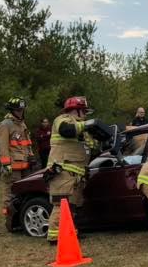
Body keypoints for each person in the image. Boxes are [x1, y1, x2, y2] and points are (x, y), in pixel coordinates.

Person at [45, 96, 112, 244]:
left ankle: (70, 233)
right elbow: (66, 131)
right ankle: (55, 237)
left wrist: (103, 140)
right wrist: (89, 124)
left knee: (73, 206)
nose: (86, 115)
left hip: (76, 175)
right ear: (76, 110)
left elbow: (92, 148)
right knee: (62, 205)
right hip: (62, 172)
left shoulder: (82, 128)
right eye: (84, 111)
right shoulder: (63, 119)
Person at [0, 97, 34, 223]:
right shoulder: (5, 125)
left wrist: (31, 155)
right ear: (12, 110)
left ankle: (21, 217)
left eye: (22, 110)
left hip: (25, 165)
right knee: (11, 193)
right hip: (13, 167)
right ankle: (10, 220)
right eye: (18, 110)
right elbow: (2, 146)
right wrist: (6, 163)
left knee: (24, 193)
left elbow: (27, 143)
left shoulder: (22, 123)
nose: (20, 112)